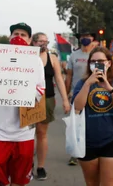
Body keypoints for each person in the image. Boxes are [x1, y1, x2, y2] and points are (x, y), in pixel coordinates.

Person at [0, 22, 45, 186]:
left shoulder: (36, 61)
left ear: (29, 40)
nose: (18, 37)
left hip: (23, 132)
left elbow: (40, 89)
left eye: (23, 35)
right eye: (15, 34)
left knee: (20, 179)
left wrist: (22, 94)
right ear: (9, 37)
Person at [72, 47, 113, 186]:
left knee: (110, 183)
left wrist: (108, 87)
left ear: (109, 63)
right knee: (92, 183)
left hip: (111, 139)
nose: (96, 64)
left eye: (100, 61)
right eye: (93, 61)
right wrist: (88, 84)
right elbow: (77, 107)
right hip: (87, 140)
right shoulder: (82, 83)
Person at [32, 32, 71, 180]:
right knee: (26, 134)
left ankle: (40, 166)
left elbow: (59, 80)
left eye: (45, 41)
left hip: (46, 98)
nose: (43, 44)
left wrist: (65, 100)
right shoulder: (26, 57)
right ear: (33, 42)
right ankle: (27, 164)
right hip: (27, 100)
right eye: (40, 41)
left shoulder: (52, 58)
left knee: (41, 133)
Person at [65, 30, 96, 165]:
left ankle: (90, 149)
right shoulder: (74, 56)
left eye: (88, 36)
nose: (85, 38)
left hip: (94, 93)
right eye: (83, 36)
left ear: (92, 38)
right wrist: (66, 95)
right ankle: (74, 153)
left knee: (91, 123)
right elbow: (69, 76)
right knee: (76, 124)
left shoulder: (96, 56)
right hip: (77, 93)